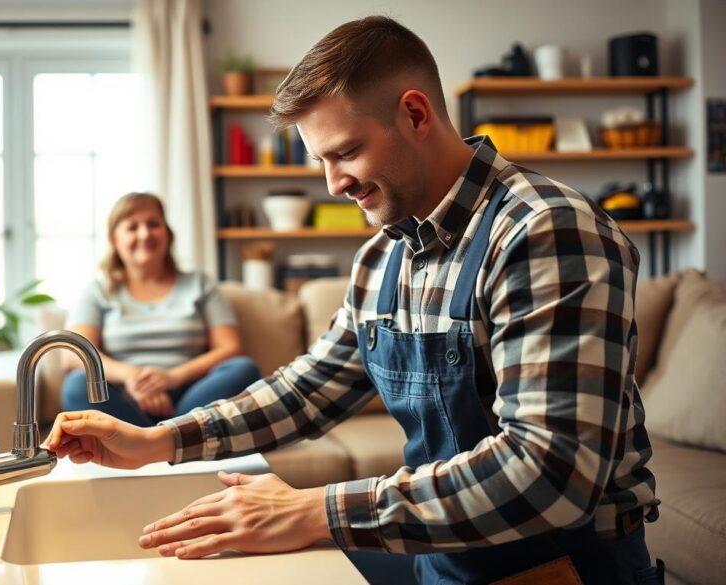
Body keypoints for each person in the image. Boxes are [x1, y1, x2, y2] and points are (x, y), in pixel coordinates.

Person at [47, 17, 663, 584]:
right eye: (322, 160)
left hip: (563, 568)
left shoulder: (544, 231)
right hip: (442, 554)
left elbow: (549, 473)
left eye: (344, 153)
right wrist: (157, 442)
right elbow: (309, 389)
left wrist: (314, 509)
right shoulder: (383, 256)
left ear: (416, 114)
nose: (333, 183)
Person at [61, 192, 261, 427]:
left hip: (190, 396)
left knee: (244, 369)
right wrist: (132, 377)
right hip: (124, 398)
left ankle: (147, 441)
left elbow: (230, 348)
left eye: (153, 224)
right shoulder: (98, 291)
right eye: (132, 227)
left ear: (167, 234)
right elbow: (73, 357)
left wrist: (172, 378)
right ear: (114, 239)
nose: (144, 234)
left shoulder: (200, 284)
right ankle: (174, 438)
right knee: (76, 385)